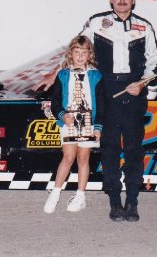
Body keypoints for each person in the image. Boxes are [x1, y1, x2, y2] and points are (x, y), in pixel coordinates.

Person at [37, 0, 157, 222]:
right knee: (110, 150)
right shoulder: (96, 23)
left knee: (135, 151)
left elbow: (155, 62)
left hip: (135, 92)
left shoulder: (145, 27)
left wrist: (142, 83)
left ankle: (133, 202)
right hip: (107, 93)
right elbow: (75, 49)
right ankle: (115, 202)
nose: (122, 0)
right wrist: (53, 74)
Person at [43, 35, 105, 214]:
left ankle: (80, 196)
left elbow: (101, 104)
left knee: (83, 158)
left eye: (83, 52)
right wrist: (62, 116)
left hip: (88, 122)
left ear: (89, 54)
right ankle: (55, 193)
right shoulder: (63, 75)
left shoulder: (95, 75)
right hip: (68, 121)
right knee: (68, 157)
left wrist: (98, 127)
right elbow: (55, 102)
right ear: (71, 54)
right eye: (76, 52)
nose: (79, 56)